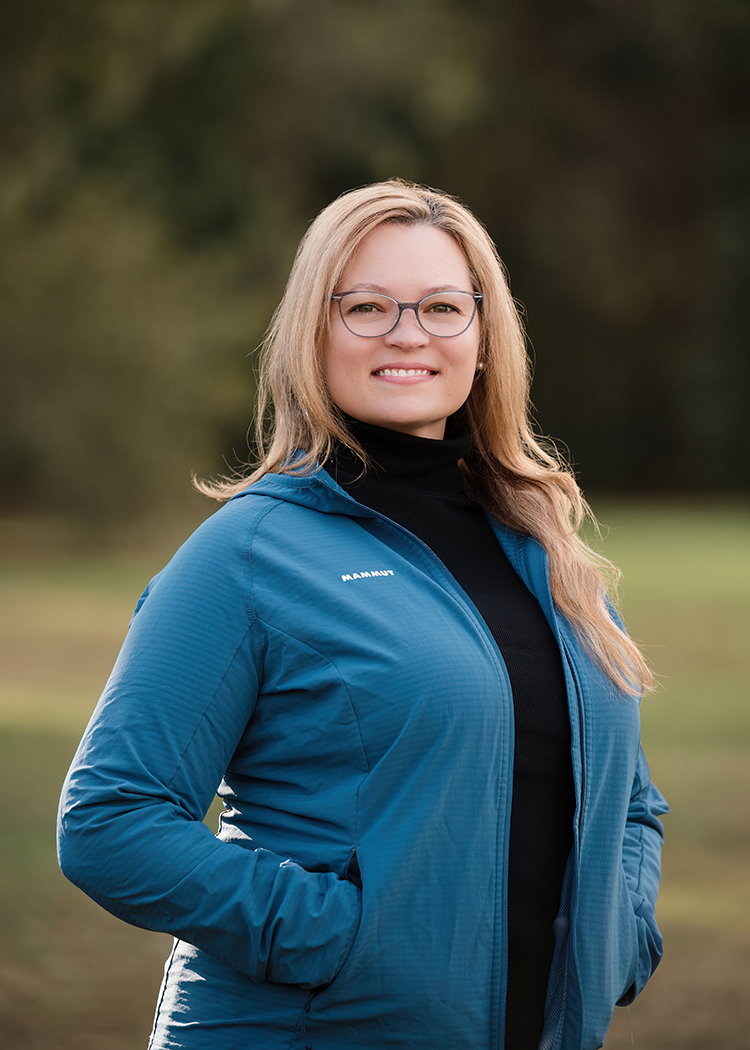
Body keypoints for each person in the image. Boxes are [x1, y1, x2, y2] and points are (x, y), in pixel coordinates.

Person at [57, 179, 668, 1050]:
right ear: (316, 330)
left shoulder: (547, 550)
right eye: (368, 307)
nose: (408, 333)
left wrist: (622, 937)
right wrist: (343, 939)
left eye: (441, 307)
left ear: (486, 336)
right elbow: (109, 823)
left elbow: (632, 803)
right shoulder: (249, 553)